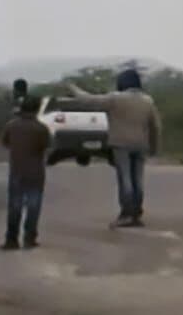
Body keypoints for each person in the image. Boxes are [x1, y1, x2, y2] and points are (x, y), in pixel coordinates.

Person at [69, 69, 162, 228]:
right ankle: (136, 213)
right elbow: (156, 126)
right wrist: (154, 147)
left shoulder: (115, 99)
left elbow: (89, 100)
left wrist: (73, 89)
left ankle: (126, 214)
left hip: (121, 144)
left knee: (125, 179)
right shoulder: (148, 101)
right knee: (138, 180)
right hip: (140, 144)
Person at [0, 94, 51, 250]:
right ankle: (30, 238)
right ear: (37, 108)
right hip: (35, 172)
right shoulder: (41, 128)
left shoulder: (11, 125)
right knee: (33, 206)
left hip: (17, 170)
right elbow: (46, 147)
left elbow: (5, 143)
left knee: (15, 206)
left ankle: (11, 239)